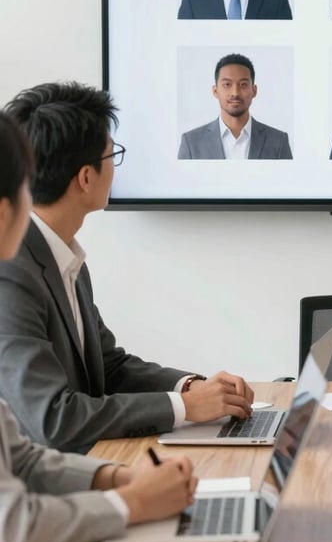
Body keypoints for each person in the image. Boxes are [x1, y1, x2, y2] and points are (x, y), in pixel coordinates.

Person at [0, 82, 256, 454]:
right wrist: (184, 408)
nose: (115, 169)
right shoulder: (12, 272)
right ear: (86, 178)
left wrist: (189, 387)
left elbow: (109, 367)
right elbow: (53, 419)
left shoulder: (63, 256)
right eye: (111, 156)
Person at [0, 111, 196, 542]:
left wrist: (117, 478)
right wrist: (135, 503)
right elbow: (13, 527)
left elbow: (21, 458)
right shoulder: (13, 276)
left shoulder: (66, 258)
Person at [178, 53, 292, 160]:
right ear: (215, 91)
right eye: (227, 84)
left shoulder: (279, 141)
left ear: (254, 91)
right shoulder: (191, 143)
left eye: (243, 85)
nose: (235, 93)